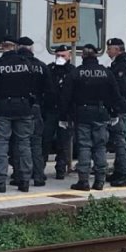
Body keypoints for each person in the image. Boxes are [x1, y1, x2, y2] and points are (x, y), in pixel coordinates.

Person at [60, 45, 122, 191]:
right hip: (101, 113)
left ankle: (83, 180)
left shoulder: (76, 73)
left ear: (83, 56)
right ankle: (100, 180)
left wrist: (63, 116)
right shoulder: (106, 73)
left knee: (84, 145)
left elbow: (66, 97)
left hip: (82, 113)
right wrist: (114, 113)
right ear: (96, 56)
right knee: (100, 146)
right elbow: (115, 95)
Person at [0, 37, 36, 193]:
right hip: (24, 108)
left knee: (2, 145)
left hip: (3, 108)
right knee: (24, 144)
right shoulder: (27, 64)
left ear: (2, 46)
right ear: (15, 47)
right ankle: (25, 180)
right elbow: (34, 86)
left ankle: (0, 182)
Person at [15, 36, 53, 186]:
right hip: (36, 107)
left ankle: (20, 175)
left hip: (19, 107)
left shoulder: (15, 65)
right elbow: (49, 90)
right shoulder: (42, 66)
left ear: (19, 48)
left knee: (20, 142)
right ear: (31, 48)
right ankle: (38, 176)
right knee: (36, 143)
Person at [106, 37, 126, 187]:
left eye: (109, 48)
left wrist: (114, 106)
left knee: (119, 139)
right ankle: (119, 171)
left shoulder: (121, 65)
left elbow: (119, 88)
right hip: (125, 105)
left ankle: (125, 173)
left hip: (120, 106)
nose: (107, 51)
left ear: (117, 49)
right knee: (118, 139)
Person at [43, 44, 76, 179]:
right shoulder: (49, 69)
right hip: (50, 110)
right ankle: (40, 168)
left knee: (63, 143)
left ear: (69, 56)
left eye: (63, 55)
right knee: (45, 141)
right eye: (58, 55)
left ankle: (61, 169)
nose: (60, 58)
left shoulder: (73, 71)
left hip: (65, 113)